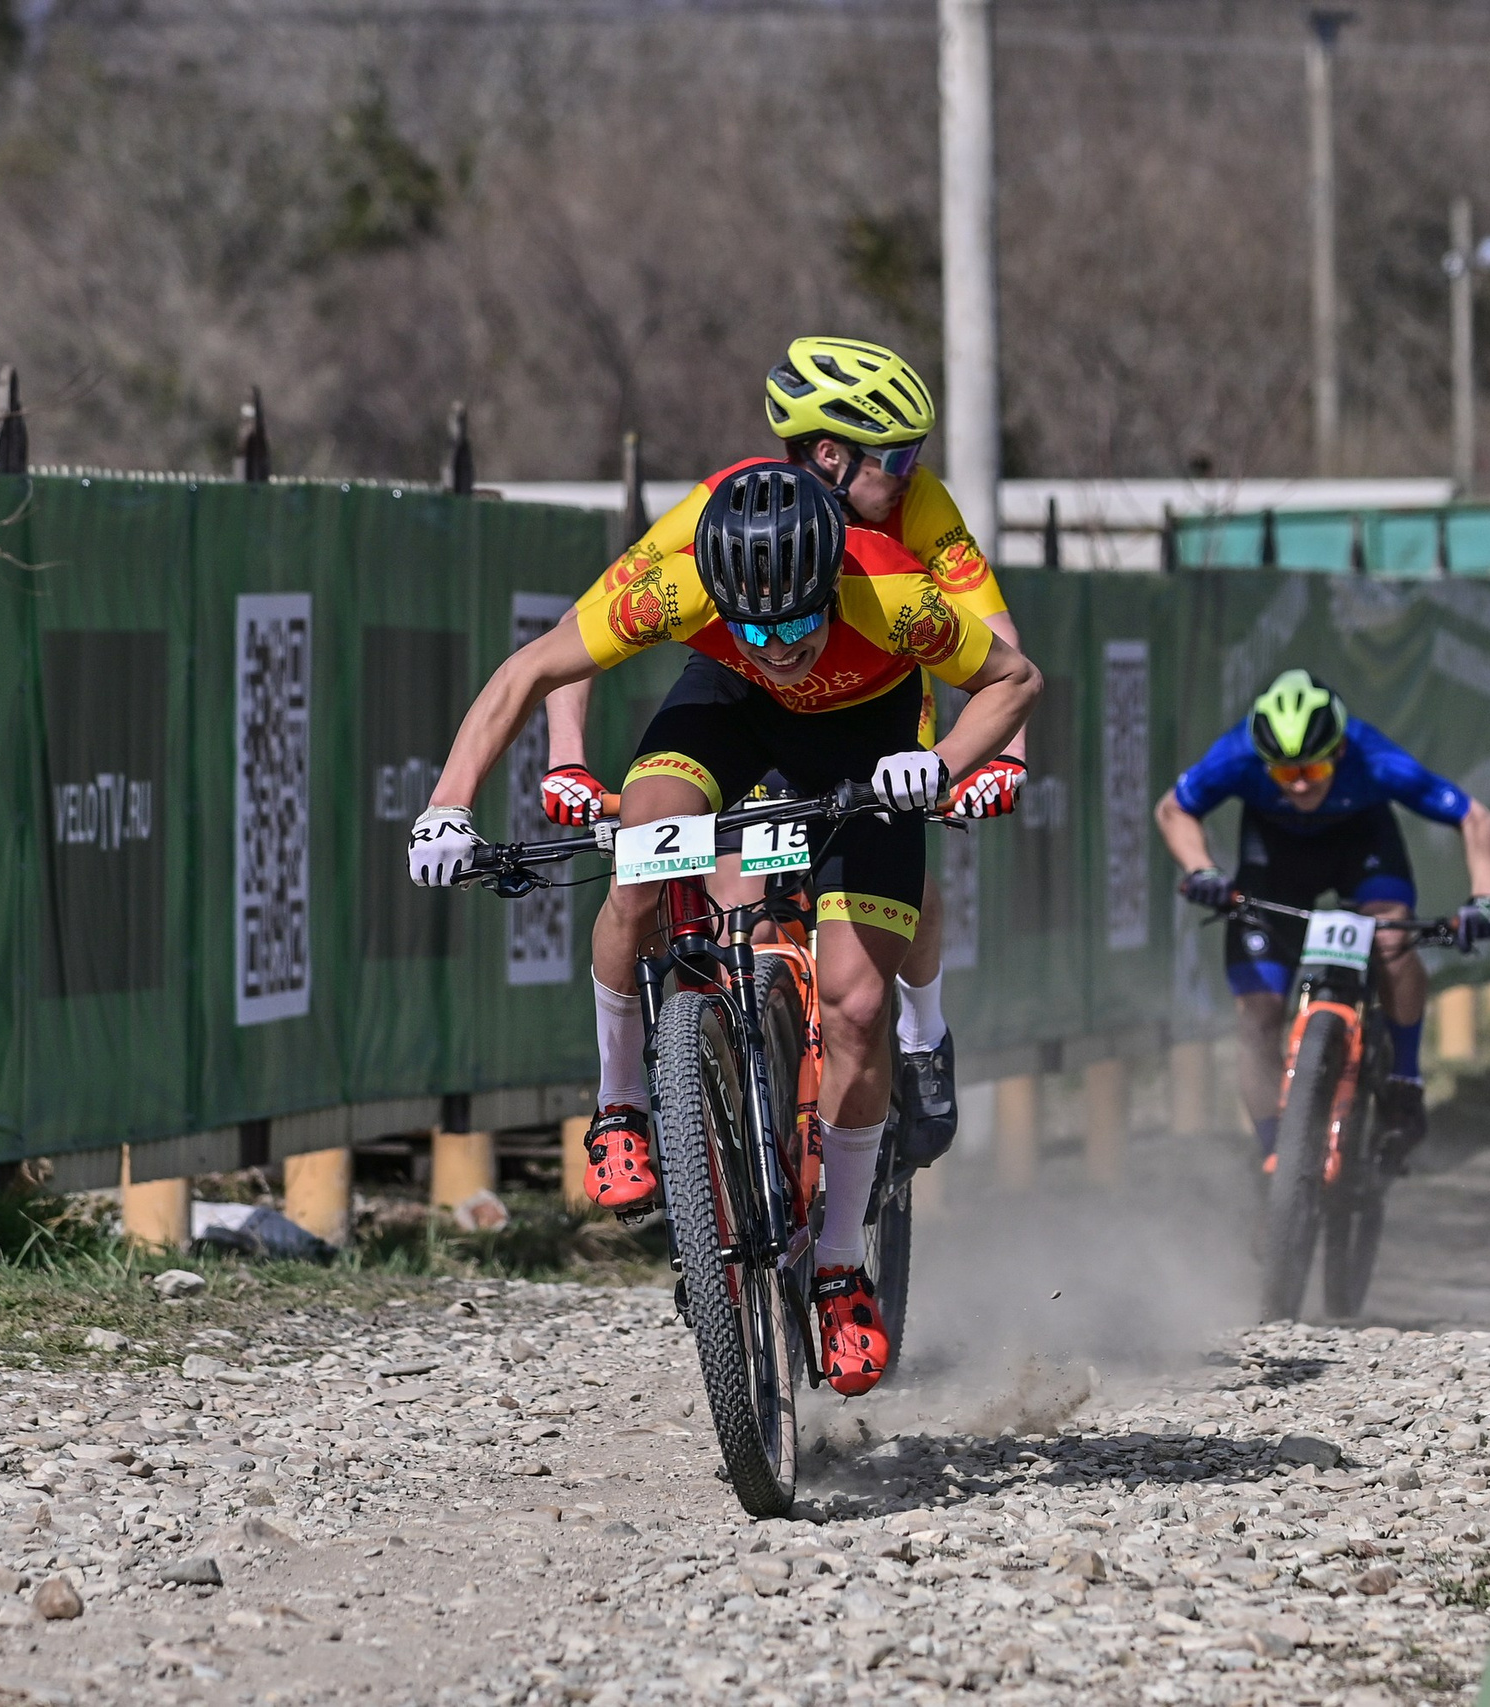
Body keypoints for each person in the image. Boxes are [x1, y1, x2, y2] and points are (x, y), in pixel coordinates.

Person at [410, 462, 1041, 1396]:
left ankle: (835, 1268)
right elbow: (533, 668)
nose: (778, 641)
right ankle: (622, 1103)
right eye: (754, 620)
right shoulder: (681, 590)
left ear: (829, 582)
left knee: (859, 1007)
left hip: (865, 733)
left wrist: (941, 761)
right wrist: (447, 806)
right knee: (638, 856)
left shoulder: (890, 593)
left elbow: (1013, 678)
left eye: (795, 619)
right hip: (729, 711)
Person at [538, 337, 1023, 1173]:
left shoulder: (919, 508)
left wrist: (994, 759)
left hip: (880, 701)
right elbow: (576, 632)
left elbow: (1000, 639)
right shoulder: (733, 505)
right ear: (828, 454)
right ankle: (704, 1097)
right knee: (718, 883)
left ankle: (922, 1035)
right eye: (899, 453)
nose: (913, 469)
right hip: (752, 702)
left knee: (900, 881)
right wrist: (568, 757)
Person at [1154, 669, 1490, 1170]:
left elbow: (1475, 818)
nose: (1298, 786)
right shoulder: (1238, 756)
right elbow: (1174, 809)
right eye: (1282, 774)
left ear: (1338, 752)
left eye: (1312, 773)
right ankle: (1277, 1155)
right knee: (1257, 1016)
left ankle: (1405, 1079)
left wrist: (1486, 897)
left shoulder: (1373, 759)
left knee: (1391, 938)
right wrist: (1201, 869)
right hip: (1275, 859)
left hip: (1360, 845)